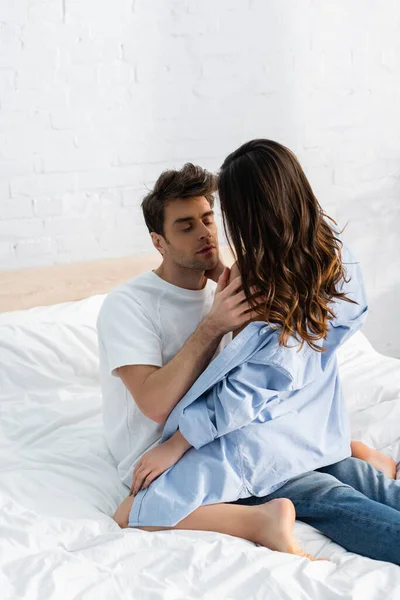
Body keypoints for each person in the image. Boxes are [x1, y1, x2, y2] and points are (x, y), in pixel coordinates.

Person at [109, 140, 400, 565]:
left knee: (132, 512)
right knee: (350, 480)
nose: (210, 232)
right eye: (187, 226)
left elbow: (251, 387)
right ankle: (361, 460)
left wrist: (178, 444)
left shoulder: (265, 283)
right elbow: (324, 338)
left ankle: (271, 516)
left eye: (212, 217)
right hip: (312, 422)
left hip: (263, 433)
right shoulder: (333, 254)